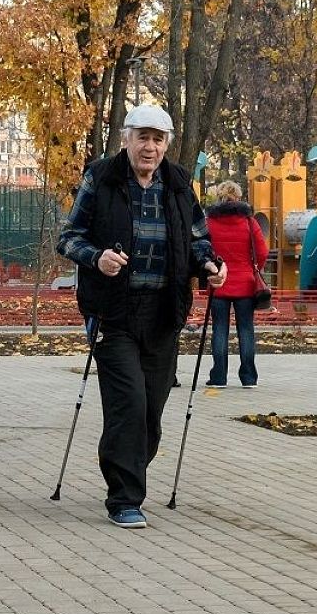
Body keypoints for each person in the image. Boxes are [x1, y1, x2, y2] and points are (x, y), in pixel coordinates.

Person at [57, 104, 226, 529]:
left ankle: (128, 469)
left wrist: (210, 266)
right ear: (127, 139)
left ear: (167, 144)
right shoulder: (102, 177)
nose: (150, 147)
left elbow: (198, 240)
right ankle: (124, 497)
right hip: (113, 311)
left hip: (164, 313)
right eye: (143, 137)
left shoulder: (178, 182)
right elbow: (69, 237)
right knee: (128, 402)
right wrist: (97, 258)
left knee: (151, 408)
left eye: (158, 139)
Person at [204, 180, 269, 390]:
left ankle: (219, 376)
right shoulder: (249, 223)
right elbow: (262, 251)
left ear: (220, 197)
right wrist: (253, 267)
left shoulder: (209, 223)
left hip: (218, 283)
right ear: (238, 197)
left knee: (220, 329)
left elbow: (203, 250)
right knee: (246, 329)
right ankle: (249, 377)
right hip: (246, 284)